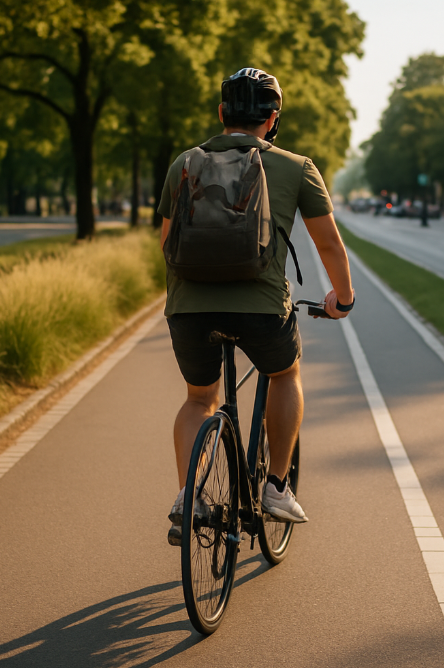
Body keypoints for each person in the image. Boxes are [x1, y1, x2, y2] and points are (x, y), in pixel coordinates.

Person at [158, 68, 355, 546]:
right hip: (262, 309)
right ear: (272, 118)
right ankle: (276, 487)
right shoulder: (297, 167)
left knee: (199, 398)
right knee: (284, 373)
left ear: (222, 113)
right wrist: (341, 299)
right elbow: (328, 243)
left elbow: (167, 243)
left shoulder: (184, 162)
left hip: (190, 310)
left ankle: (190, 496)